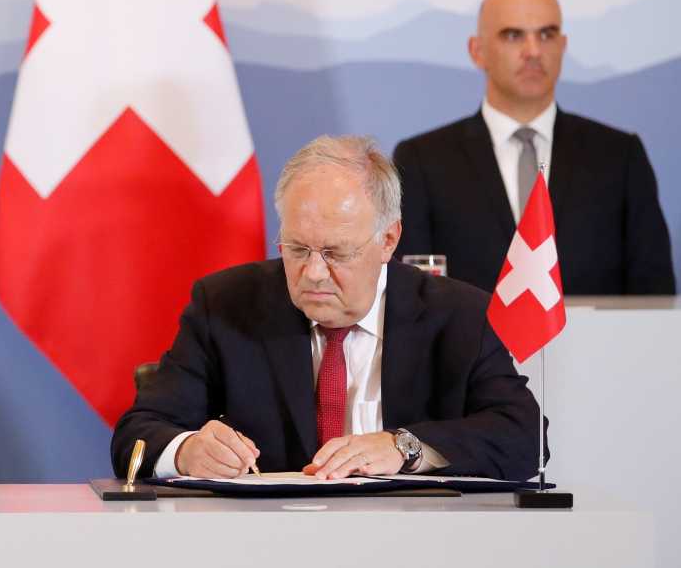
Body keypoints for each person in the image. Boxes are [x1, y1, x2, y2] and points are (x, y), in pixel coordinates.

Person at [112, 135, 540, 482]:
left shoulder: (458, 316)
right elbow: (137, 433)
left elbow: (526, 440)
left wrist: (404, 447)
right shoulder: (225, 306)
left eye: (336, 253)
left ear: (387, 241)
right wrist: (187, 452)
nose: (313, 273)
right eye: (297, 249)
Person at [395, 0, 674, 295]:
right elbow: (411, 299)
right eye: (513, 35)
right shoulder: (423, 161)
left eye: (547, 34)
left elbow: (655, 296)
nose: (533, 51)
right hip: (469, 345)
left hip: (599, 344)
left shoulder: (619, 157)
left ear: (563, 46)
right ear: (477, 51)